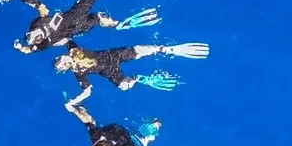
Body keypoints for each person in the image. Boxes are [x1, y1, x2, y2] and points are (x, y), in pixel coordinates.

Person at [14, 0, 160, 54]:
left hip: (79, 27)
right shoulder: (46, 41)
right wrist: (22, 48)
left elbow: (35, 45)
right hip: (76, 17)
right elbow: (31, 49)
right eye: (30, 37)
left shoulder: (37, 27)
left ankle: (117, 24)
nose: (29, 35)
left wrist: (22, 47)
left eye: (28, 36)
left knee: (97, 17)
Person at [57, 41, 210, 95]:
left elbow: (67, 39)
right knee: (124, 86)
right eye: (61, 62)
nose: (62, 59)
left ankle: (162, 49)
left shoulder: (74, 52)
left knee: (135, 51)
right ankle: (137, 78)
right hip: (110, 71)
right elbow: (87, 89)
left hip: (112, 56)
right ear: (65, 67)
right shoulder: (78, 72)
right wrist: (76, 100)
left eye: (59, 59)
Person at [64, 94, 158, 146]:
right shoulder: (96, 137)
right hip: (119, 128)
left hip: (129, 135)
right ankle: (153, 126)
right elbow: (88, 120)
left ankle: (155, 126)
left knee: (147, 139)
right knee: (91, 121)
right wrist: (74, 110)